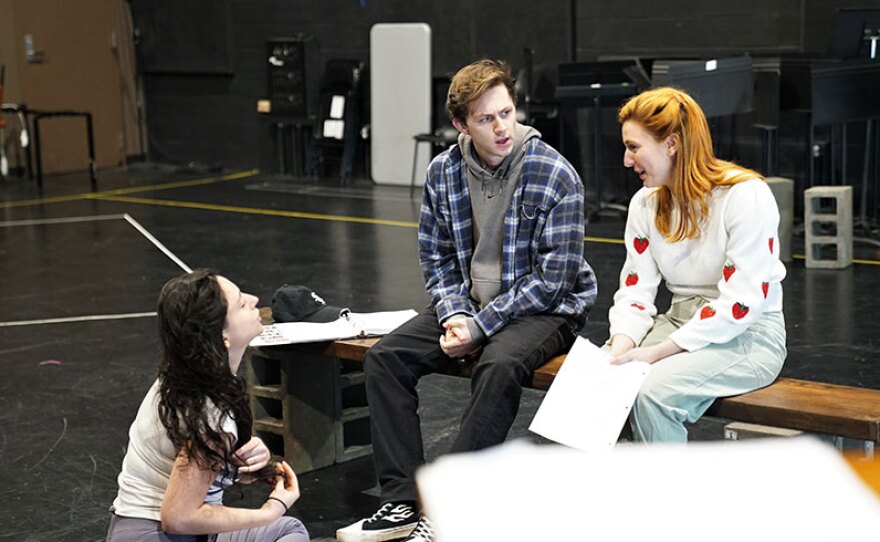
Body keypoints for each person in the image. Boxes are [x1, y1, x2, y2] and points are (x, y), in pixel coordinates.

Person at [337, 59, 597, 542]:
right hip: (472, 306)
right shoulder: (444, 172)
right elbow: (435, 258)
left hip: (545, 309)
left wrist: (480, 327)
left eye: (506, 113)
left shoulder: (555, 174)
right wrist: (457, 313)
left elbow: (555, 280)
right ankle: (401, 503)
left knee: (497, 366)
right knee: (386, 359)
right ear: (460, 124)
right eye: (486, 119)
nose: (502, 128)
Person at [607, 86, 787, 442]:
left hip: (750, 334)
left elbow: (741, 304)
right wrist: (620, 347)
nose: (627, 161)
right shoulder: (645, 203)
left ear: (671, 144)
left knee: (652, 395)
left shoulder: (745, 195)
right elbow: (635, 293)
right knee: (603, 385)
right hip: (678, 321)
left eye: (634, 147)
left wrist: (658, 352)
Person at [106, 269, 310, 542]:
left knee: (289, 530)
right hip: (159, 535)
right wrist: (270, 510)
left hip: (138, 530)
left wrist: (233, 464)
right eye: (240, 303)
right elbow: (178, 518)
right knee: (285, 528)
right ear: (221, 336)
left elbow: (186, 466)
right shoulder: (211, 413)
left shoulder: (183, 376)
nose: (253, 299)